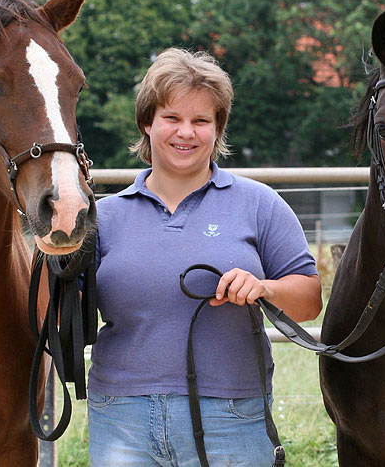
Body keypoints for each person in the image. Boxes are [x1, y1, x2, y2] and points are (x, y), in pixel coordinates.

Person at [87, 47, 323, 467]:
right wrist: (51, 250)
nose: (186, 133)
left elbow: (309, 301)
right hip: (121, 415)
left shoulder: (260, 204)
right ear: (147, 122)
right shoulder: (103, 216)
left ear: (218, 129)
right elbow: (52, 316)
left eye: (201, 121)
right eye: (172, 118)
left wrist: (264, 287)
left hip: (232, 415)